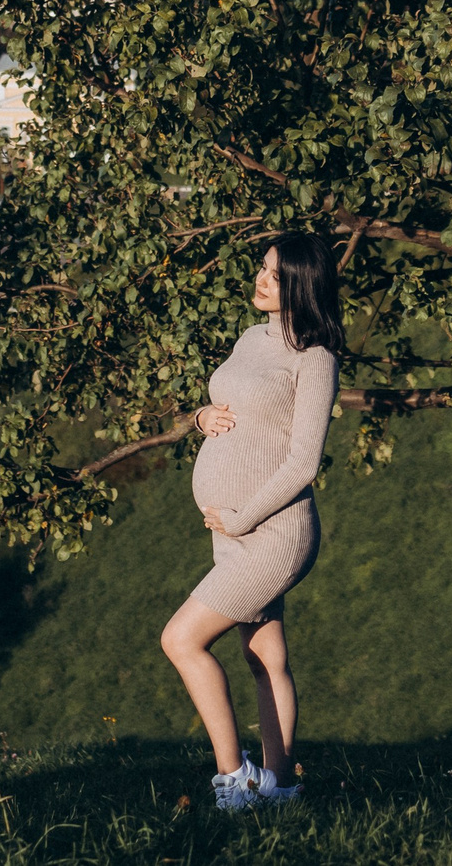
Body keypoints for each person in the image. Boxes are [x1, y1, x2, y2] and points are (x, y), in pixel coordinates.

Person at [159, 232, 344, 812]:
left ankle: (232, 778)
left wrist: (243, 517)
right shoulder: (249, 337)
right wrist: (201, 416)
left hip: (274, 533)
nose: (260, 280)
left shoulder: (315, 360)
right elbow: (229, 403)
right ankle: (281, 787)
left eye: (273, 274)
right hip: (232, 532)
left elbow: (303, 462)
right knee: (264, 657)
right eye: (262, 269)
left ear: (301, 285)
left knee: (181, 639)